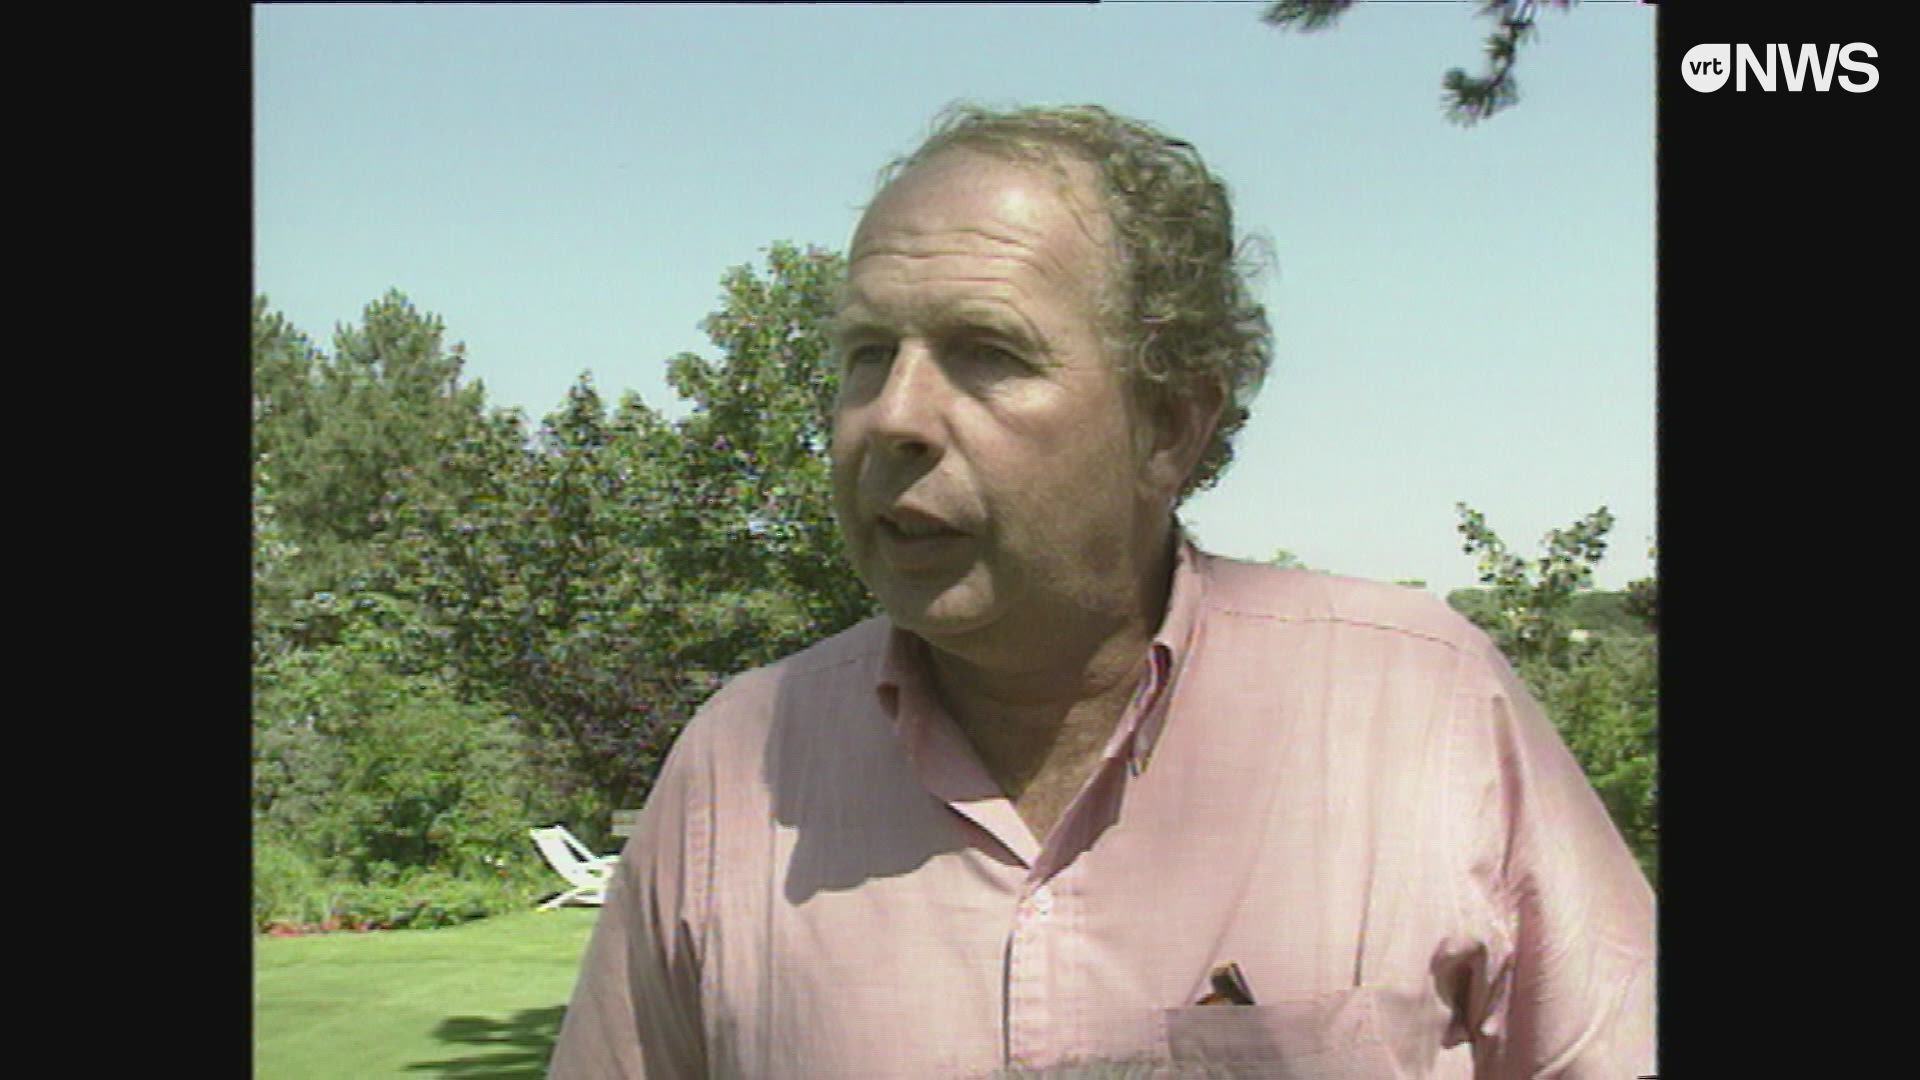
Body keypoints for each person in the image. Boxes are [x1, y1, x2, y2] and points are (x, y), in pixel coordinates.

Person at [548, 103, 1655, 1079]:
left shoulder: (1419, 709)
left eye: (987, 352)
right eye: (868, 354)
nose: (893, 417)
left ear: (1169, 426)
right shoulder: (738, 766)